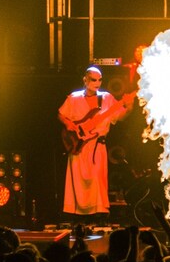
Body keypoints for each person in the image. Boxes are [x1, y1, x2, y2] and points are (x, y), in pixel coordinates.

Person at [58, 66, 136, 227]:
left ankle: (98, 214)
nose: (97, 83)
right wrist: (69, 125)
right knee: (77, 181)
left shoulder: (106, 98)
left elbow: (120, 116)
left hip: (97, 145)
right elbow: (61, 114)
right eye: (94, 79)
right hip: (78, 145)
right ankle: (77, 214)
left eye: (100, 79)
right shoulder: (74, 98)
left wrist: (129, 106)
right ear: (85, 80)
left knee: (98, 181)